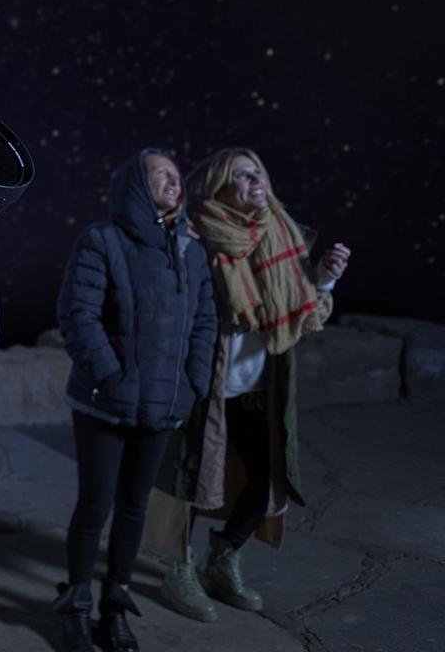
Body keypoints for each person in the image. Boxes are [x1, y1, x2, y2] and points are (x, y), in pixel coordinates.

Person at [152, 147, 351, 623]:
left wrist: (323, 279)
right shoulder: (196, 237)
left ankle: (224, 558)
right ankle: (178, 568)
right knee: (191, 477)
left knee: (267, 476)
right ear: (221, 187)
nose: (255, 182)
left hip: (259, 381)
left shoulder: (281, 233)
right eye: (242, 176)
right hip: (205, 380)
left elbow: (299, 306)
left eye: (258, 173)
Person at [53, 149, 218, 652]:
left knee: (134, 507)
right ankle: (76, 606)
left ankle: (114, 605)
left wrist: (192, 385)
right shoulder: (103, 240)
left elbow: (205, 323)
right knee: (95, 505)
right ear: (136, 187)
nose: (174, 181)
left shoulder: (190, 251)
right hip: (106, 404)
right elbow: (78, 315)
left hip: (163, 407)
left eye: (176, 175)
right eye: (161, 175)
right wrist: (113, 377)